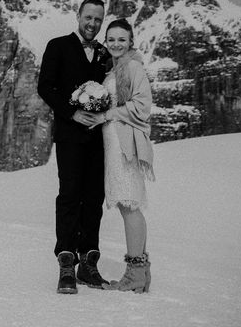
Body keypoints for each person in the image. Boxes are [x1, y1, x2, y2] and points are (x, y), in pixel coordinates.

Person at [37, 0, 111, 294]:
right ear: (78, 16)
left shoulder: (105, 54)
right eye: (88, 17)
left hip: (99, 139)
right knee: (69, 195)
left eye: (98, 19)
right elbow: (45, 86)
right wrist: (71, 111)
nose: (92, 23)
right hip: (68, 136)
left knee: (94, 198)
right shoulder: (57, 46)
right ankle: (66, 262)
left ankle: (88, 263)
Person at [88, 18, 155, 293]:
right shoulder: (115, 69)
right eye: (111, 39)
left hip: (124, 144)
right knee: (128, 205)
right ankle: (140, 274)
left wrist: (106, 114)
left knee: (130, 204)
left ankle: (135, 273)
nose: (116, 44)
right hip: (113, 144)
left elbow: (142, 106)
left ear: (130, 42)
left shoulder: (132, 66)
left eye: (121, 39)